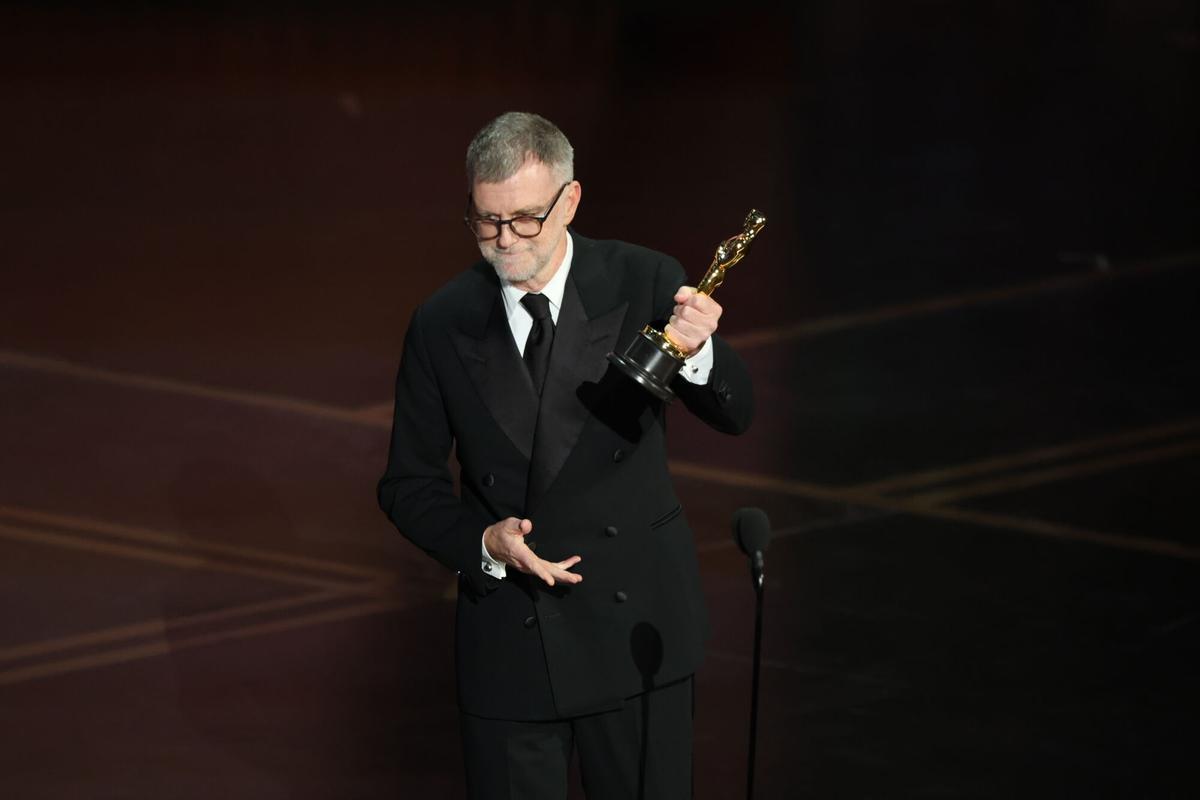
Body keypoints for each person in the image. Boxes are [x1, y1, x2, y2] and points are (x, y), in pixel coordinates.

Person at [377, 111, 754, 799]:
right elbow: (408, 483)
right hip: (511, 644)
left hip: (637, 632)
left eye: (525, 219)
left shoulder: (644, 280)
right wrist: (485, 542)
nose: (504, 240)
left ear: (570, 200)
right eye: (486, 220)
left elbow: (736, 414)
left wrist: (699, 353)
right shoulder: (442, 321)